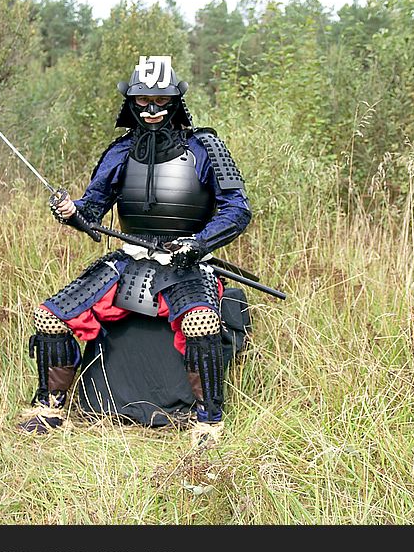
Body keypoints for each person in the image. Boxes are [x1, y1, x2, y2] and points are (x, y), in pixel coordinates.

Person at [19, 55, 251, 440]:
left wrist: (197, 243)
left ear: (176, 100)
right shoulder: (120, 151)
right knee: (49, 316)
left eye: (161, 100)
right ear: (131, 102)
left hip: (186, 263)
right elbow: (92, 210)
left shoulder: (205, 146)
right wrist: (71, 211)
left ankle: (209, 420)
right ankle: (51, 408)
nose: (153, 109)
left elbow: (237, 209)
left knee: (201, 322)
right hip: (131, 260)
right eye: (143, 101)